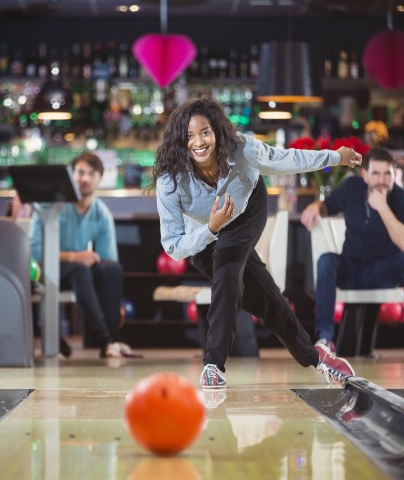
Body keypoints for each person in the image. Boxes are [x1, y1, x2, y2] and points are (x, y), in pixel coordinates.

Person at [150, 97, 360, 389]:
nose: (198, 142)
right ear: (179, 140)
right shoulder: (170, 180)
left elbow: (287, 160)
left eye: (205, 132)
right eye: (189, 136)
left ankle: (213, 365)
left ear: (217, 132)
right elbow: (173, 247)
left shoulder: (244, 150)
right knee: (263, 298)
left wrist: (335, 157)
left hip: (247, 212)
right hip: (202, 233)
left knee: (226, 267)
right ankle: (316, 358)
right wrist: (211, 227)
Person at [29, 152, 137, 359]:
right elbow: (34, 252)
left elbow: (108, 260)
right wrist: (74, 256)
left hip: (77, 273)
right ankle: (106, 340)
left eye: (91, 174)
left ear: (99, 178)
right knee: (80, 269)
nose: (84, 179)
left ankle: (111, 343)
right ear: (70, 174)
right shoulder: (50, 204)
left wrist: (118, 304)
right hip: (44, 270)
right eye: (80, 172)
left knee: (111, 270)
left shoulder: (101, 213)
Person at [300, 146, 404, 352]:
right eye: (376, 173)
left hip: (386, 273)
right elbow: (327, 206)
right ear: (365, 175)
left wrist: (382, 207)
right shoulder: (352, 187)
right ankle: (325, 338)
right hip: (353, 269)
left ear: (395, 175)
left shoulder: (400, 197)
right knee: (326, 260)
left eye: (387, 174)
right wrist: (316, 207)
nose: (381, 180)